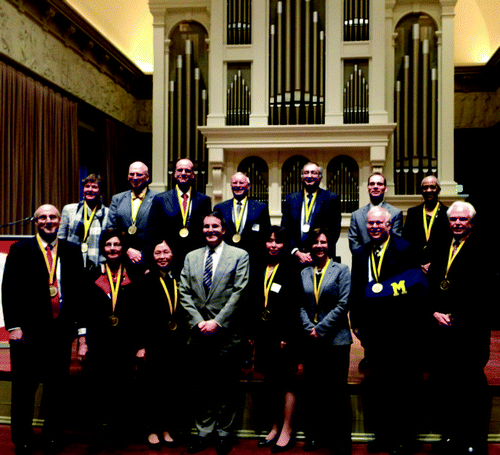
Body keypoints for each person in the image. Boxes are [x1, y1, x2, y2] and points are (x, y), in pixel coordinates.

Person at [2, 204, 85, 455]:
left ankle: (52, 436)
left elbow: (78, 294)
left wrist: (79, 334)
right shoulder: (20, 250)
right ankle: (23, 439)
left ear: (60, 221)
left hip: (59, 333)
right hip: (28, 333)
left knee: (56, 390)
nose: (48, 221)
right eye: (43, 218)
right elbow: (9, 291)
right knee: (24, 390)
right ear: (35, 222)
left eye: (53, 217)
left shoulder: (71, 251)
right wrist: (14, 327)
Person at [349, 207, 426, 455]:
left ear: (389, 225)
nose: (373, 227)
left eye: (378, 223)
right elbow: (356, 290)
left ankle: (405, 438)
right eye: (370, 224)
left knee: (403, 387)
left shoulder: (405, 248)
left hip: (401, 331)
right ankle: (383, 435)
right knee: (379, 387)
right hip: (373, 333)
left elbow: (415, 286)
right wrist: (356, 322)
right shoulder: (361, 253)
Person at [179, 211, 249, 455]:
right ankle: (204, 431)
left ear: (223, 230)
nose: (210, 230)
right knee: (201, 386)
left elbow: (239, 292)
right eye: (206, 226)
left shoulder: (240, 255)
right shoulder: (191, 257)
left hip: (226, 333)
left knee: (227, 386)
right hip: (198, 333)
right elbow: (183, 291)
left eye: (215, 226)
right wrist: (199, 322)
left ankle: (224, 433)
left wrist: (217, 322)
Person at [426, 201, 491, 455]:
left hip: (469, 331)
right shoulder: (443, 247)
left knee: (472, 387)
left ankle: (476, 440)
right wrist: (434, 311)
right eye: (453, 219)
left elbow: (482, 293)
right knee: (448, 387)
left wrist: (455, 315)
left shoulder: (481, 249)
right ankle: (452, 436)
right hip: (443, 330)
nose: (457, 223)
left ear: (471, 223)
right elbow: (432, 284)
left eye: (462, 219)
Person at [82, 229, 143, 453]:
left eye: (117, 244)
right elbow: (85, 310)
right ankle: (97, 434)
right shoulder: (92, 273)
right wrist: (83, 341)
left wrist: (140, 345)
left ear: (123, 247)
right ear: (103, 248)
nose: (113, 248)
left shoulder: (134, 275)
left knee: (122, 390)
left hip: (124, 345)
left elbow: (140, 314)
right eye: (108, 245)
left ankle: (118, 434)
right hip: (98, 343)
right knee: (97, 391)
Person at [299, 228, 352, 455]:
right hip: (312, 341)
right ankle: (314, 435)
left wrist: (320, 329)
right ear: (310, 246)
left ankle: (340, 438)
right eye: (316, 242)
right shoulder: (303, 272)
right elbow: (300, 304)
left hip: (336, 340)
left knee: (336, 392)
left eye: (323, 242)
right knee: (314, 390)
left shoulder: (341, 270)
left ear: (329, 245)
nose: (319, 246)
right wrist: (309, 328)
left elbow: (343, 304)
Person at [249, 226, 300, 453]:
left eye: (278, 241)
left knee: (286, 380)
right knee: (270, 381)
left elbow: (294, 305)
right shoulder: (259, 265)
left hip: (283, 335)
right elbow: (252, 299)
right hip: (263, 333)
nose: (273, 245)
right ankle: (274, 426)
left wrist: (286, 336)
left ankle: (287, 428)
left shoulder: (291, 267)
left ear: (284, 244)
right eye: (269, 241)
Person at [136, 239, 189, 450]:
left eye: (166, 252)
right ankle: (151, 429)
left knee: (171, 387)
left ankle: (166, 428)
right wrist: (140, 345)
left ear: (173, 254)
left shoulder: (179, 278)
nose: (162, 256)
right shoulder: (146, 280)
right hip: (153, 343)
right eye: (158, 252)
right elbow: (139, 316)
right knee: (152, 387)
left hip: (175, 343)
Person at [147, 158, 212, 275]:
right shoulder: (161, 199)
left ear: (193, 175)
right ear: (175, 174)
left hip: (195, 258)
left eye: (187, 171)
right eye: (180, 170)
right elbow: (152, 232)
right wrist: (149, 263)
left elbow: (205, 231)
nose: (183, 173)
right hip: (169, 258)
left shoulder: (204, 200)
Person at [281, 162, 341, 266]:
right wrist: (297, 252)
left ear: (320, 177)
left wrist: (316, 251)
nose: (309, 176)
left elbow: (334, 231)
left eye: (313, 173)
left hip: (320, 257)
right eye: (306, 173)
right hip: (295, 258)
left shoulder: (331, 199)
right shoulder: (291, 199)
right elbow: (285, 229)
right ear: (301, 176)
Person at [214, 172, 271, 265]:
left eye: (241, 183)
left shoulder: (260, 207)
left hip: (252, 258)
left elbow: (266, 234)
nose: (237, 186)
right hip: (225, 259)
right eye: (234, 183)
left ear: (248, 186)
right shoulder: (220, 208)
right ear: (231, 186)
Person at [107, 161, 157, 268]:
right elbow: (111, 230)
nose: (134, 177)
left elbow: (160, 231)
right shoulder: (117, 199)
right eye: (131, 174)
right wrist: (127, 249)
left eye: (139, 174)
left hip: (149, 260)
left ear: (147, 177)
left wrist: (144, 255)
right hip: (122, 259)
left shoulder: (158, 198)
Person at [58, 173, 110, 268]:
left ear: (101, 191)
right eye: (87, 186)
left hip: (97, 265)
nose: (90, 190)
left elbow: (108, 243)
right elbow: (61, 239)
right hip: (72, 264)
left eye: (94, 187)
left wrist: (104, 264)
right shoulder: (69, 210)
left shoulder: (107, 213)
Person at [403, 175, 450, 273]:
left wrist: (434, 264)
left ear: (438, 190)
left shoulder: (448, 213)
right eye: (425, 187)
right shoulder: (412, 213)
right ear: (421, 191)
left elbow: (448, 243)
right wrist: (418, 264)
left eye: (432, 187)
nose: (429, 190)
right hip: (415, 268)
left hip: (440, 267)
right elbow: (406, 242)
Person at [348, 172, 403, 253]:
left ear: (385, 188)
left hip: (387, 262)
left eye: (379, 184)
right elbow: (354, 242)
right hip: (363, 261)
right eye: (372, 184)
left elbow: (396, 241)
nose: (375, 187)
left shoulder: (395, 213)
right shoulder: (356, 215)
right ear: (367, 188)